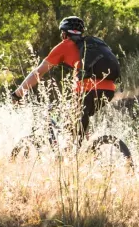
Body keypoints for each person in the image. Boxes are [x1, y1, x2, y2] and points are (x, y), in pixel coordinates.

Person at [12, 16, 116, 144]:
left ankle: (71, 154)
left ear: (64, 33)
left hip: (87, 90)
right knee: (78, 121)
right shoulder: (91, 45)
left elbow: (38, 72)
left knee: (70, 126)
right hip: (109, 90)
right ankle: (88, 149)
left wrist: (17, 94)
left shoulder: (65, 46)